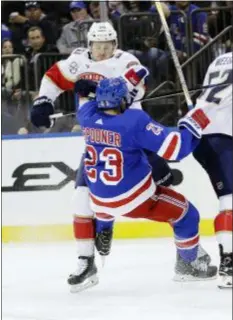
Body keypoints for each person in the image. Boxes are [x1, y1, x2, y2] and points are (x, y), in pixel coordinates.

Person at [30, 21, 174, 286]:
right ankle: (86, 262)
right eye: (97, 46)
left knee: (163, 180)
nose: (102, 51)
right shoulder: (77, 61)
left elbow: (134, 89)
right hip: (98, 140)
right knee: (80, 199)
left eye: (108, 45)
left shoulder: (126, 61)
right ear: (89, 45)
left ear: (115, 45)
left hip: (129, 137)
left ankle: (118, 219)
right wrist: (43, 100)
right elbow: (52, 77)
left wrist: (96, 91)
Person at [54, 76, 217, 292]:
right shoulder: (134, 120)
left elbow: (87, 100)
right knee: (187, 214)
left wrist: (88, 91)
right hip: (137, 199)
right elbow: (175, 149)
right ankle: (189, 265)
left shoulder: (87, 116)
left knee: (100, 202)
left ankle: (104, 226)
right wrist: (193, 125)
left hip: (99, 201)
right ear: (122, 101)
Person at [192, 52, 232, 289]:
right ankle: (229, 265)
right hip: (222, 137)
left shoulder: (220, 58)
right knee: (230, 200)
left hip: (201, 134)